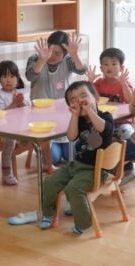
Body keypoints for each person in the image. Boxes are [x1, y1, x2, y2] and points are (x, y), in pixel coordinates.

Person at [38, 81, 115, 235]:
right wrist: (74, 115)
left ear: (96, 98)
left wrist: (90, 111)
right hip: (77, 165)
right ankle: (47, 213)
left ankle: (83, 223)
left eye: (83, 95)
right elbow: (71, 137)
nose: (80, 100)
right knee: (50, 181)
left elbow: (103, 129)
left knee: (73, 188)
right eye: (74, 100)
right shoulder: (79, 120)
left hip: (97, 170)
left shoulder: (105, 116)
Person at [25, 30, 88, 165]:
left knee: (70, 155)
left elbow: (82, 70)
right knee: (53, 158)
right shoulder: (35, 58)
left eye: (57, 53)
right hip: (41, 116)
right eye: (50, 51)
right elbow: (30, 76)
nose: (52, 56)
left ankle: (58, 146)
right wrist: (42, 60)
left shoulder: (68, 60)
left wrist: (75, 55)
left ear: (65, 54)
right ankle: (44, 149)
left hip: (63, 113)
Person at [0, 60, 27, 186]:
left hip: (21, 128)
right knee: (10, 141)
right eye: (5, 77)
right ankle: (6, 173)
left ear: (17, 78)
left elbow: (28, 111)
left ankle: (46, 164)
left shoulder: (20, 93)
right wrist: (14, 104)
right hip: (4, 130)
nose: (8, 80)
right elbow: (0, 114)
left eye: (12, 76)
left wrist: (21, 103)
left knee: (41, 135)